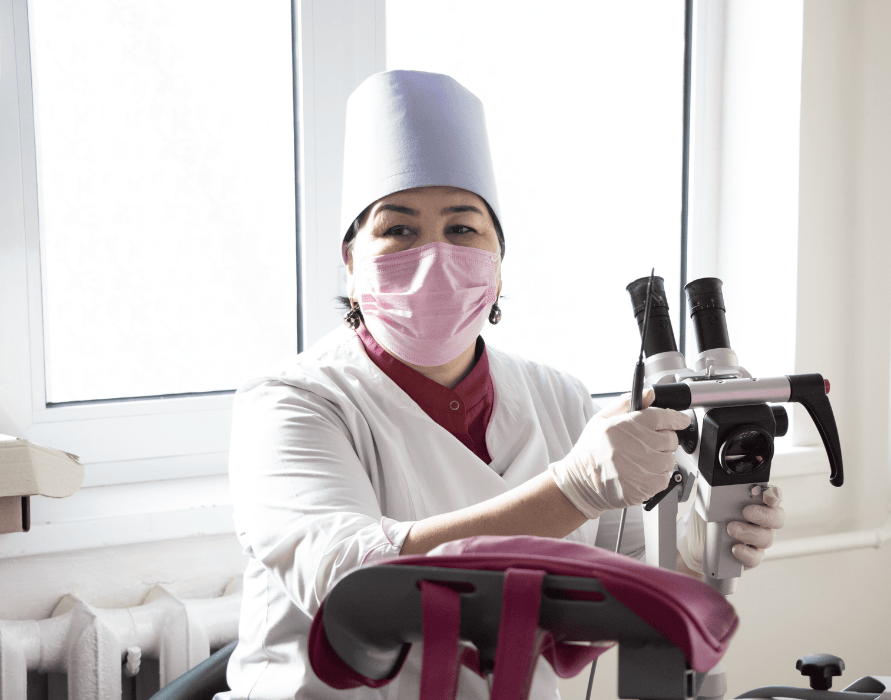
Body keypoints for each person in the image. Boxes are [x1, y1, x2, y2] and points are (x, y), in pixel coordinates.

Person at [222, 70, 784, 700]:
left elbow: (609, 612)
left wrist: (691, 553)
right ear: (351, 264)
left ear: (496, 264)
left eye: (462, 228)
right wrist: (571, 489)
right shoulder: (291, 402)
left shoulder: (559, 398)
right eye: (399, 229)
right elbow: (350, 583)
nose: (433, 253)